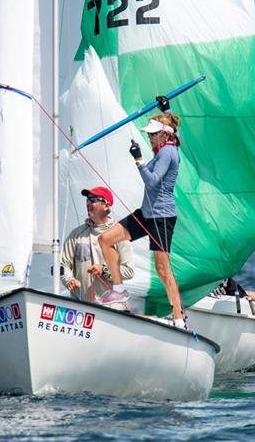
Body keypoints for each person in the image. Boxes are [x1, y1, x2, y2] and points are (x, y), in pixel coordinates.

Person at [98, 96, 185, 326]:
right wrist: (166, 108)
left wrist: (138, 160)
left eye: (152, 134)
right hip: (146, 214)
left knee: (163, 270)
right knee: (106, 239)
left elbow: (152, 181)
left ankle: (178, 318)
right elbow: (175, 129)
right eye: (148, 134)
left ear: (163, 135)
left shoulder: (167, 152)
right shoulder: (170, 143)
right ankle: (118, 290)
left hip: (161, 217)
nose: (149, 137)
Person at [60, 187, 134, 303]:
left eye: (93, 199)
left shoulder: (119, 234)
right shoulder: (76, 234)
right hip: (79, 307)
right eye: (87, 199)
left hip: (109, 309)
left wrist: (104, 270)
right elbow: (63, 264)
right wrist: (69, 280)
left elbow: (129, 271)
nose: (88, 202)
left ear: (106, 206)